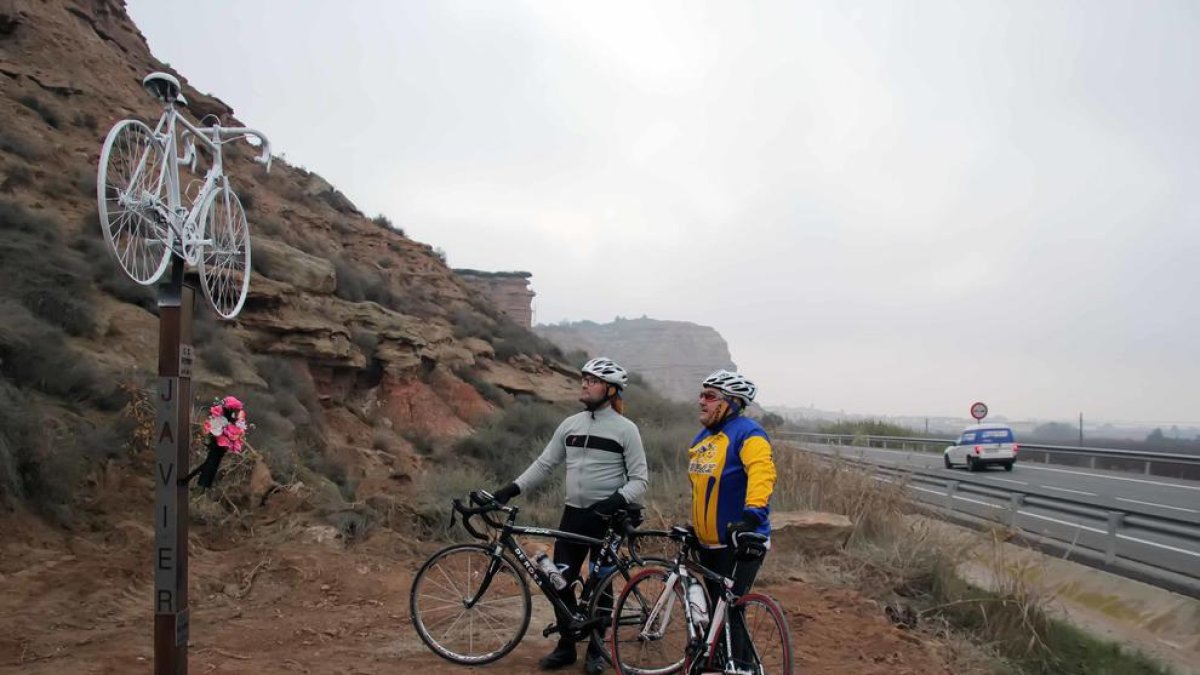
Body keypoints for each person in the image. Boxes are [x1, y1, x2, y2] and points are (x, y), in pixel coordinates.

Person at [492, 357, 649, 674]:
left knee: (601, 584)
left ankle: (596, 649)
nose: (584, 384)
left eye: (592, 381)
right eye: (584, 379)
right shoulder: (570, 424)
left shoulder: (626, 430)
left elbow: (640, 479)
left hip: (608, 518)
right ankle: (566, 646)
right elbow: (544, 464)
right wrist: (511, 488)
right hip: (573, 516)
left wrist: (615, 500)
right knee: (558, 580)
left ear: (609, 389)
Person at [687, 369, 776, 668]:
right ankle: (721, 663)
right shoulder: (703, 438)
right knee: (716, 612)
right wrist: (695, 528)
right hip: (709, 544)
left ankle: (742, 668)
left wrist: (752, 515)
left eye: (710, 397)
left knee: (731, 612)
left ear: (732, 403)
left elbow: (762, 473)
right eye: (702, 395)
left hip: (742, 541)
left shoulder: (749, 433)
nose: (702, 401)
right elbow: (702, 490)